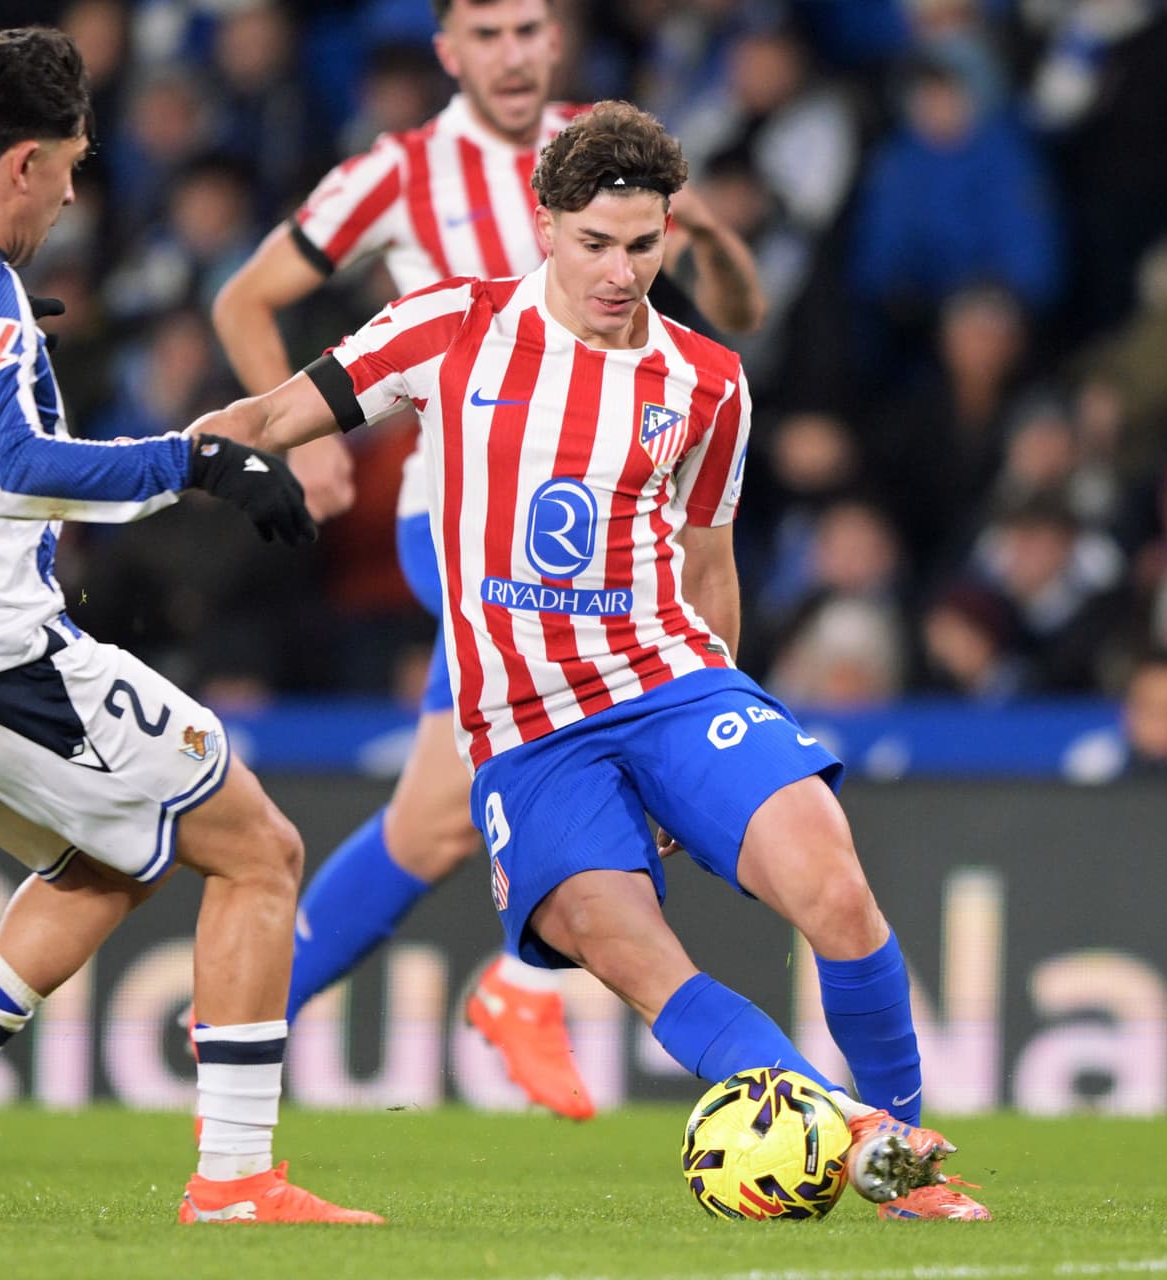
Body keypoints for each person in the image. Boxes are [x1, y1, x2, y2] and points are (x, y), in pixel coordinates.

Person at [187, 101, 990, 1222]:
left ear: (668, 233)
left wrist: (700, 755)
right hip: (525, 735)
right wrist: (133, 469)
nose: (621, 272)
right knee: (634, 953)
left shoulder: (708, 380)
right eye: (596, 243)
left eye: (644, 245)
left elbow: (709, 566)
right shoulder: (450, 326)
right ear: (546, 225)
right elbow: (272, 416)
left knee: (834, 885)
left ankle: (910, 1158)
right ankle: (863, 1140)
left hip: (671, 686)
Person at [0, 28, 378, 1226]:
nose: (68, 195)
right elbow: (15, 468)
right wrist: (199, 459)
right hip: (1, 663)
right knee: (260, 850)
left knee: (115, 854)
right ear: (21, 162)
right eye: (65, 167)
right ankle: (235, 1178)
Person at [211, 0, 764, 1121]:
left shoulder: (610, 159)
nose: (511, 54)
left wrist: (712, 242)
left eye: (527, 30)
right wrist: (308, 446)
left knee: (434, 823)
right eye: (487, 34)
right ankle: (523, 983)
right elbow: (244, 298)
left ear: (554, 40)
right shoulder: (397, 172)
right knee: (592, 718)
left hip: (597, 517)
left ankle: (244, 1029)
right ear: (448, 51)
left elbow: (737, 312)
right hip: (456, 513)